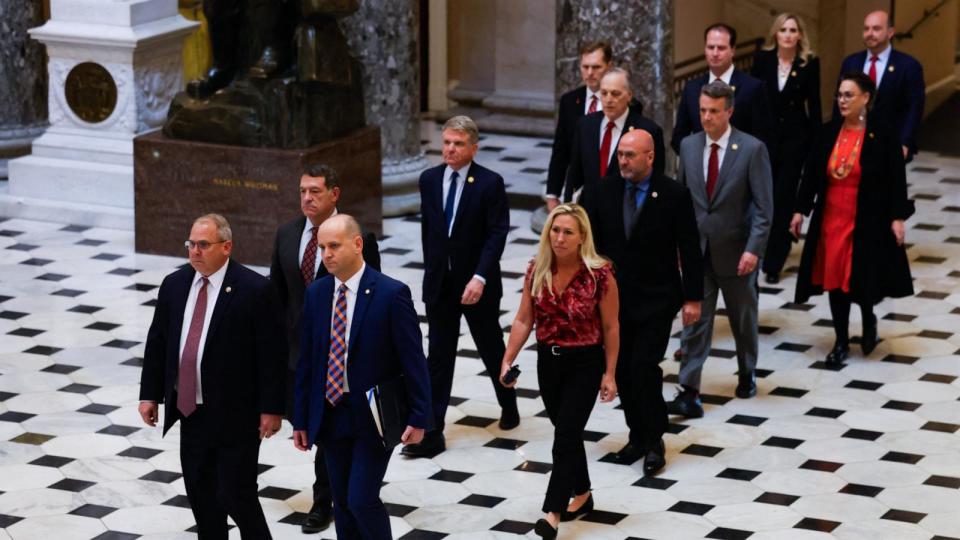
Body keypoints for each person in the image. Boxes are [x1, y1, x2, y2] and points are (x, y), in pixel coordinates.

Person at [138, 213, 286, 540]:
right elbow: (158, 342)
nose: (194, 251)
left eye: (203, 245)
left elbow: (272, 355)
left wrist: (272, 408)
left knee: (237, 494)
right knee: (202, 496)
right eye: (191, 244)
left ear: (227, 246)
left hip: (237, 415)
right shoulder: (175, 285)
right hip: (191, 411)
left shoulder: (255, 290)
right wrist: (150, 394)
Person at [292, 214, 431, 540]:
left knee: (361, 499)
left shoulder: (390, 293)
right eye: (322, 247)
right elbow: (308, 363)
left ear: (357, 245)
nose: (326, 254)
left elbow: (413, 361)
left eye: (334, 246)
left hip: (373, 417)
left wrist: (420, 416)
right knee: (341, 501)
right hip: (331, 414)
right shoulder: (317, 293)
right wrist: (300, 418)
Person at [581, 129, 703, 474]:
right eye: (620, 154)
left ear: (650, 156)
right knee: (620, 369)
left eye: (630, 155)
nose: (623, 160)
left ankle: (654, 440)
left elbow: (690, 248)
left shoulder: (674, 194)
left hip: (657, 299)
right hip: (614, 301)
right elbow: (589, 247)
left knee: (643, 367)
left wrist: (693, 297)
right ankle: (638, 434)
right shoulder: (602, 191)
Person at [269, 163, 381, 533]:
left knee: (331, 433)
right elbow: (278, 297)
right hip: (295, 354)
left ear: (334, 194)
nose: (307, 198)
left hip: (338, 357)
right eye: (302, 191)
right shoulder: (287, 234)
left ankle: (324, 502)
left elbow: (369, 297)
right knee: (307, 426)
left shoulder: (357, 236)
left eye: (315, 191)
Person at [499, 204, 618, 540]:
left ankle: (552, 513)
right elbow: (524, 318)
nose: (560, 237)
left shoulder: (600, 274)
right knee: (567, 431)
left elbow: (611, 326)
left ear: (582, 238)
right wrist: (508, 359)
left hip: (585, 362)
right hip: (548, 363)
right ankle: (583, 494)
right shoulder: (537, 269)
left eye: (568, 232)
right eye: (555, 230)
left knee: (564, 436)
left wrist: (609, 373)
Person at [404, 115, 518, 458]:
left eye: (458, 144)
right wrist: (431, 277)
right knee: (438, 356)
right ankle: (433, 430)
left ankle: (508, 404)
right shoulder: (428, 179)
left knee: (491, 348)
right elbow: (431, 235)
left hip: (477, 283)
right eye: (447, 142)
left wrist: (480, 277)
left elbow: (497, 234)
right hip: (441, 284)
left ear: (473, 148)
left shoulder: (489, 183)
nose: (450, 149)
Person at [791, 72, 914, 365]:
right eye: (840, 95)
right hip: (832, 218)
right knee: (835, 280)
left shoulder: (882, 134)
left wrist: (897, 217)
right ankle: (842, 340)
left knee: (859, 278)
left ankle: (868, 317)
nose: (842, 101)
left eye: (849, 95)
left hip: (866, 219)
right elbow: (811, 175)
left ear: (866, 98)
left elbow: (896, 178)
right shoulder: (827, 132)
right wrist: (800, 210)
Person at [669, 81, 773, 418]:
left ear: (729, 111)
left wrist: (753, 250)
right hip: (698, 252)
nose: (707, 118)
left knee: (743, 321)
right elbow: (682, 201)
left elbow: (763, 207)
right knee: (695, 321)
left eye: (714, 111)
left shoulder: (751, 149)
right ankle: (689, 388)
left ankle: (746, 372)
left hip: (737, 253)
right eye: (702, 111)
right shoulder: (688, 146)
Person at [751, 13, 822, 284]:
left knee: (783, 199)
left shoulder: (809, 64)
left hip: (795, 140)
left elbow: (813, 105)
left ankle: (773, 261)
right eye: (784, 30)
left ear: (800, 35)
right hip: (765, 140)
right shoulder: (762, 60)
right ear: (776, 34)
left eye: (793, 30)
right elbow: (754, 101)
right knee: (762, 195)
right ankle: (756, 249)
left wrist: (817, 142)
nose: (789, 35)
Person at [562, 68, 665, 202]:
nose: (608, 99)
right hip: (589, 211)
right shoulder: (585, 125)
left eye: (615, 94)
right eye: (604, 93)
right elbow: (574, 174)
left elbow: (655, 181)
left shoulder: (648, 130)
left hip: (627, 210)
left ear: (629, 95)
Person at [835, 10, 924, 161]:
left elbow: (914, 108)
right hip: (853, 140)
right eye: (866, 29)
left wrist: (904, 141)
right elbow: (838, 102)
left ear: (890, 32)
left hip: (891, 143)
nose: (870, 33)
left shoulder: (908, 66)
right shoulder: (851, 62)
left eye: (876, 29)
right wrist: (836, 136)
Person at [672, 23, 773, 154]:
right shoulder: (692, 88)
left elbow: (764, 137)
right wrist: (695, 158)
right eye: (710, 47)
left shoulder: (753, 87)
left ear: (733, 50)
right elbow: (679, 136)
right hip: (700, 169)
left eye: (721, 48)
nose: (715, 53)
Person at [545, 41, 614, 212]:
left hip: (611, 189)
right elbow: (561, 150)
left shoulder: (620, 103)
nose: (590, 73)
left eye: (596, 67)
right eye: (585, 67)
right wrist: (552, 193)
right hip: (577, 190)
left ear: (609, 66)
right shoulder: (569, 101)